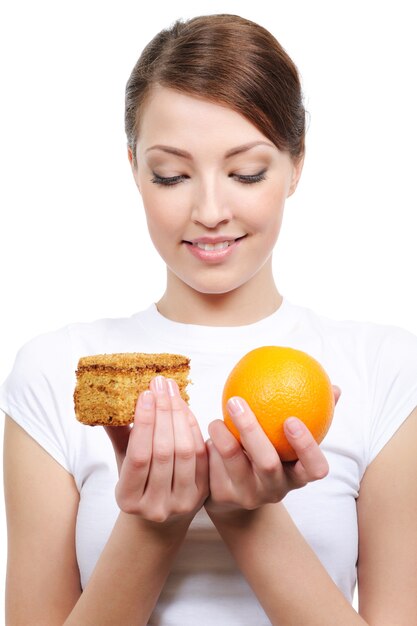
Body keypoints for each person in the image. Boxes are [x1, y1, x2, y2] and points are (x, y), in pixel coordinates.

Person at [1, 12, 417, 626]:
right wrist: (152, 528)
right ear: (134, 170)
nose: (211, 210)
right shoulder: (55, 371)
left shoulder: (384, 370)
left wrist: (249, 520)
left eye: (247, 172)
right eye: (171, 175)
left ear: (296, 164)